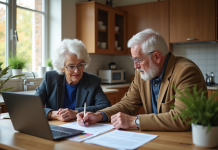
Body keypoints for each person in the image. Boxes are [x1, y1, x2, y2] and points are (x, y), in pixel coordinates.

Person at [76, 29, 207, 131]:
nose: (135, 66)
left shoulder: (186, 72)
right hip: (156, 137)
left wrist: (135, 121)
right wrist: (99, 115)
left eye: (138, 59)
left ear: (156, 57)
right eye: (133, 60)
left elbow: (183, 118)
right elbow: (126, 105)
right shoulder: (142, 74)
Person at [35, 39, 111, 122]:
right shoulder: (50, 78)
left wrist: (76, 112)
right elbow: (32, 106)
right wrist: (53, 114)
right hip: (56, 127)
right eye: (71, 66)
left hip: (81, 128)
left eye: (80, 65)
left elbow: (105, 106)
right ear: (62, 67)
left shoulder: (93, 81)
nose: (77, 71)